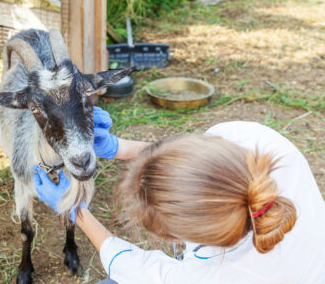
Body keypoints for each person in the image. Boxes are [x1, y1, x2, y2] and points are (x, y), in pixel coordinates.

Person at [32, 107, 325, 284]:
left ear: (176, 240)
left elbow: (135, 268)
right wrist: (120, 148)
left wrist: (75, 211)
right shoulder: (259, 141)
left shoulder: (207, 278)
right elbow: (199, 158)